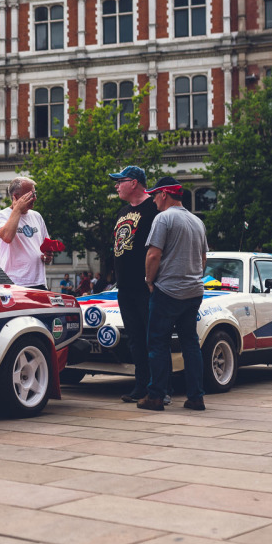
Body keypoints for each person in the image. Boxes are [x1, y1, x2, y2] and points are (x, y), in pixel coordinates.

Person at [139, 176, 209, 412]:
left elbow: (153, 255)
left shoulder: (164, 218)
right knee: (191, 343)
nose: (153, 200)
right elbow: (203, 259)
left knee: (157, 343)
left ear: (164, 194)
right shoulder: (197, 221)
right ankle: (196, 397)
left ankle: (156, 396)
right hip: (194, 291)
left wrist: (150, 281)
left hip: (168, 290)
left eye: (155, 195)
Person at [110, 165, 159, 403]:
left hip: (146, 287)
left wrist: (152, 279)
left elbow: (159, 249)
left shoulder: (154, 209)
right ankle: (141, 386)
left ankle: (160, 388)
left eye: (120, 181)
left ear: (135, 183)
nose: (117, 185)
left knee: (153, 338)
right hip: (125, 287)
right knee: (135, 338)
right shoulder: (121, 212)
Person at [0, 177, 53, 288]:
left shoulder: (37, 216)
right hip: (15, 283)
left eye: (35, 194)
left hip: (39, 282)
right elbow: (7, 237)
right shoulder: (1, 215)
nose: (34, 198)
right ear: (15, 197)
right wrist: (17, 210)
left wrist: (47, 256)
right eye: (30, 195)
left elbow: (45, 247)